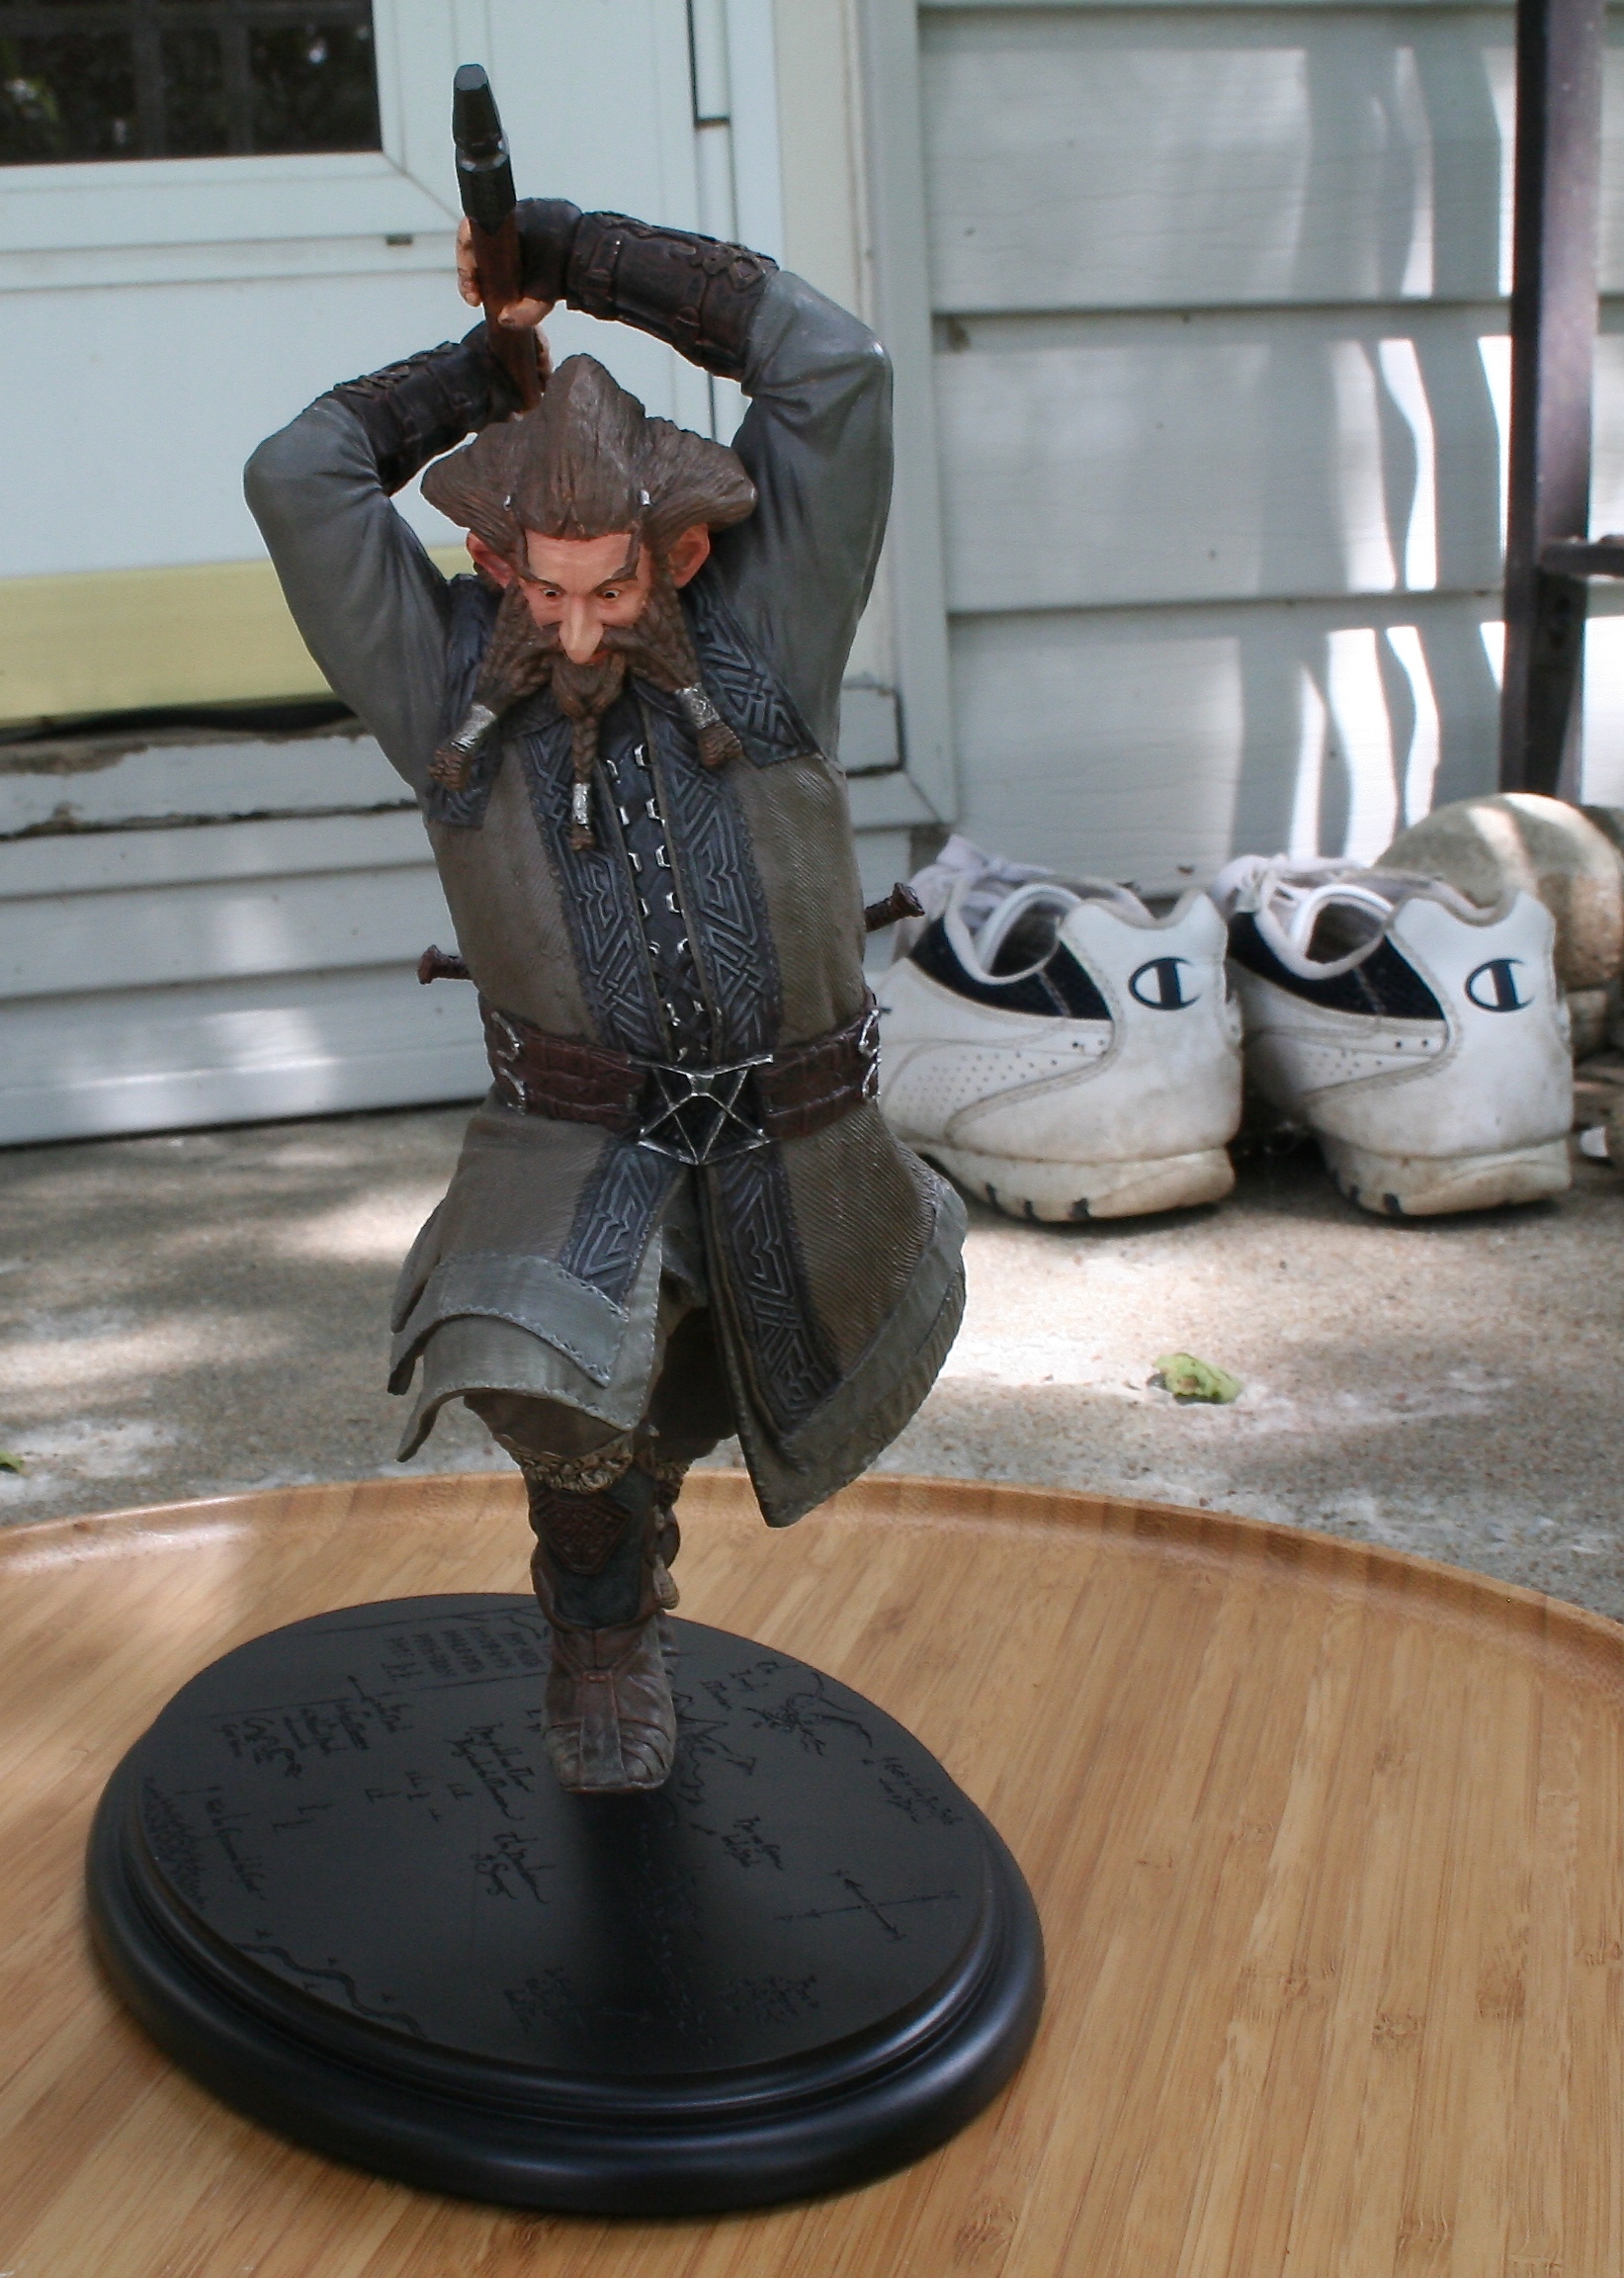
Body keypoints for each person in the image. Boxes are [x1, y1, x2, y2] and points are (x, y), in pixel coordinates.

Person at [245, 201, 963, 1794]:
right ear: (491, 562)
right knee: (536, 1377)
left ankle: (645, 1511)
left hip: (800, 1147)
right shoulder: (442, 680)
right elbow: (299, 478)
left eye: (613, 592)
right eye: (541, 590)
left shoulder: (770, 632)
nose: (573, 631)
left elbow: (834, 372)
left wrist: (574, 255)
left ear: (683, 555)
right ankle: (600, 1622)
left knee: (777, 1375)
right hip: (573, 1148)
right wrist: (479, 373)